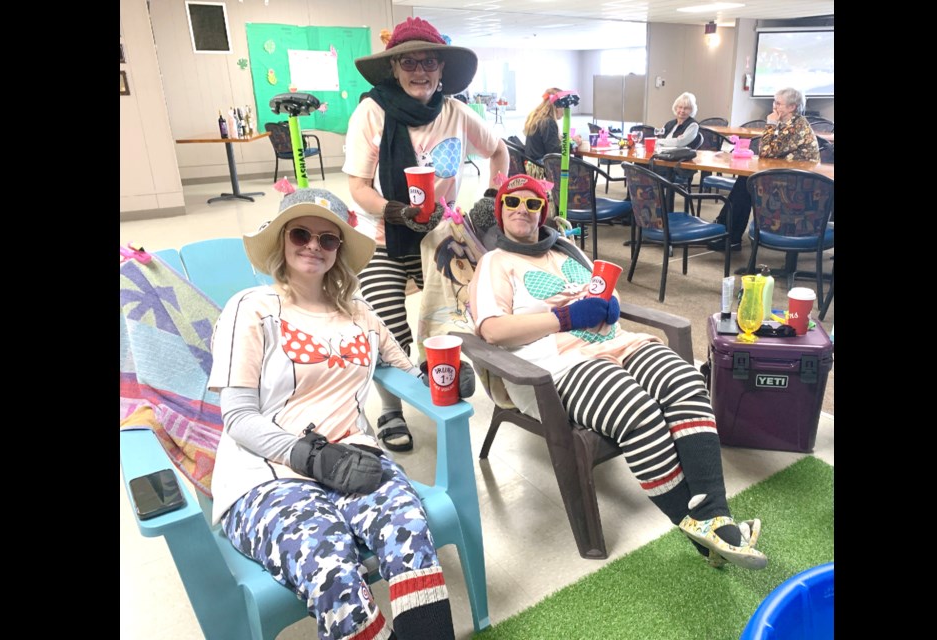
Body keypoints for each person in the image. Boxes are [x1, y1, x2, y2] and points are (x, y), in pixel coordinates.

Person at [209, 188, 473, 640]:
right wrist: (310, 457)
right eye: (301, 234)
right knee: (328, 566)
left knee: (409, 531)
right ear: (282, 241)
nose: (313, 245)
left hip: (356, 461)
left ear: (339, 251)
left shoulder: (361, 314)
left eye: (327, 239)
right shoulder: (252, 307)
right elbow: (237, 417)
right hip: (265, 474)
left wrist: (443, 374)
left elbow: (405, 368)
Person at [468, 174, 768, 571]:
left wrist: (609, 302)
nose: (522, 210)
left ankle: (716, 515)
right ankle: (696, 526)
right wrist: (565, 317)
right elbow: (492, 329)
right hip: (553, 365)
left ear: (544, 212)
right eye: (512, 203)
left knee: (686, 381)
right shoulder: (495, 262)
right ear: (500, 211)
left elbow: (605, 287)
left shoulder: (566, 248)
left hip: (616, 343)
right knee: (635, 409)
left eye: (532, 203)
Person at [344, 17, 508, 452]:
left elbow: (499, 149)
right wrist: (395, 210)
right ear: (394, 68)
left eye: (429, 61)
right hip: (384, 234)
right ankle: (391, 409)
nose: (420, 71)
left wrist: (493, 194)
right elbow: (358, 186)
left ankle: (440, 362)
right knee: (384, 320)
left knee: (463, 307)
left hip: (440, 235)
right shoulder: (371, 111)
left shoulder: (455, 111)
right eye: (408, 62)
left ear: (441, 68)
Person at [709, 87, 820, 251]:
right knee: (744, 181)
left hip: (798, 187)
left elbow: (766, 152)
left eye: (778, 103)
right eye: (774, 102)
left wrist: (770, 123)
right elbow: (769, 153)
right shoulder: (787, 124)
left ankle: (729, 233)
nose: (774, 107)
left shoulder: (797, 126)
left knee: (747, 183)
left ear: (792, 107)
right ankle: (726, 230)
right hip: (786, 177)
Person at [523, 88, 564, 171]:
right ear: (557, 106)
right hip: (540, 168)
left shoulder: (535, 117)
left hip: (530, 166)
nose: (564, 110)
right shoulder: (548, 122)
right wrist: (572, 145)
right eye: (563, 106)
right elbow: (554, 153)